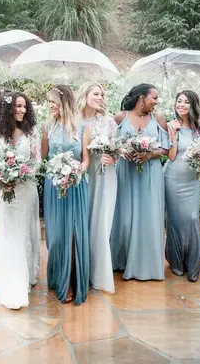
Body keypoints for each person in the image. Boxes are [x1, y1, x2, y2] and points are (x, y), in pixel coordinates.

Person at [111, 83, 170, 281]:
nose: (156, 101)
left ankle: (147, 266)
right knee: (124, 216)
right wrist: (121, 151)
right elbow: (111, 144)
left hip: (150, 174)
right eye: (154, 97)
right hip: (126, 172)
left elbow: (166, 149)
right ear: (141, 98)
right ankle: (120, 260)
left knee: (149, 216)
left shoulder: (159, 119)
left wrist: (150, 154)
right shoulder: (120, 117)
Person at [0, 91, 41, 309]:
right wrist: (2, 179)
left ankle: (25, 274)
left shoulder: (32, 132)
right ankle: (10, 278)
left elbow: (37, 161)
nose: (20, 110)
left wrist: (19, 174)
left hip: (26, 189)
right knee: (7, 231)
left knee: (23, 231)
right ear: (7, 110)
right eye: (16, 107)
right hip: (4, 191)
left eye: (23, 106)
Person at [42, 85, 91, 305]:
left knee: (73, 235)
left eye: (53, 101)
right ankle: (58, 277)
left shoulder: (82, 127)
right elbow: (42, 157)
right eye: (49, 102)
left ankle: (72, 281)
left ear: (64, 102)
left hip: (76, 186)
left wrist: (75, 172)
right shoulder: (47, 127)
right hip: (54, 186)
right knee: (57, 236)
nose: (50, 105)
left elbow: (86, 160)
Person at [77, 81, 117, 293]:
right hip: (84, 174)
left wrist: (113, 157)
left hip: (104, 175)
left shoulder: (108, 121)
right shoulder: (74, 121)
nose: (100, 97)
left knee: (101, 221)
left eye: (102, 94)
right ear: (85, 95)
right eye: (96, 93)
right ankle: (82, 269)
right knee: (84, 218)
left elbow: (118, 148)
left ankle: (99, 273)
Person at [164, 90, 200, 282]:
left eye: (186, 102)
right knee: (175, 220)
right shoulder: (170, 125)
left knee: (191, 217)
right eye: (178, 101)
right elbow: (171, 156)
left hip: (193, 179)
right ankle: (176, 261)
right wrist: (173, 134)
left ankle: (193, 264)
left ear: (193, 105)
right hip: (173, 178)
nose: (181, 104)